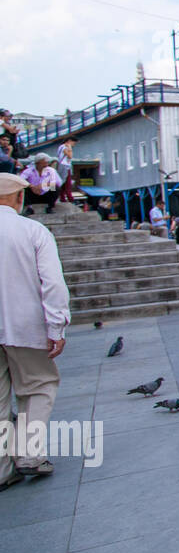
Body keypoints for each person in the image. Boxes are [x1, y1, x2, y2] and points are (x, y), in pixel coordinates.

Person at [0, 172, 70, 488]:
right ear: (19, 197)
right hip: (23, 325)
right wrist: (56, 326)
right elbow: (53, 284)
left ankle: (2, 469)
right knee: (39, 386)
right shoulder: (32, 231)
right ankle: (29, 455)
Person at [56, 137, 76, 203]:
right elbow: (70, 156)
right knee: (67, 184)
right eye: (74, 143)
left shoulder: (60, 147)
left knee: (64, 184)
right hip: (64, 166)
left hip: (63, 166)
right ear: (69, 141)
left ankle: (63, 198)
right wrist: (70, 148)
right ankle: (70, 198)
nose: (74, 145)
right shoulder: (64, 147)